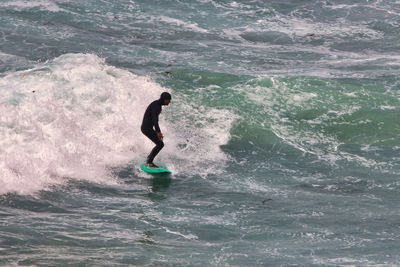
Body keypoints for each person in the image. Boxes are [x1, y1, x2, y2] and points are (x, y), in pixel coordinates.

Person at [141, 92, 171, 168]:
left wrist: (158, 132)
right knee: (160, 144)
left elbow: (154, 120)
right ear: (164, 100)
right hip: (146, 128)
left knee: (160, 144)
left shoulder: (157, 105)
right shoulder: (156, 106)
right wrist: (158, 132)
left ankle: (149, 160)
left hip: (147, 128)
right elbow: (155, 120)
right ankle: (149, 162)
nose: (169, 102)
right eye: (168, 100)